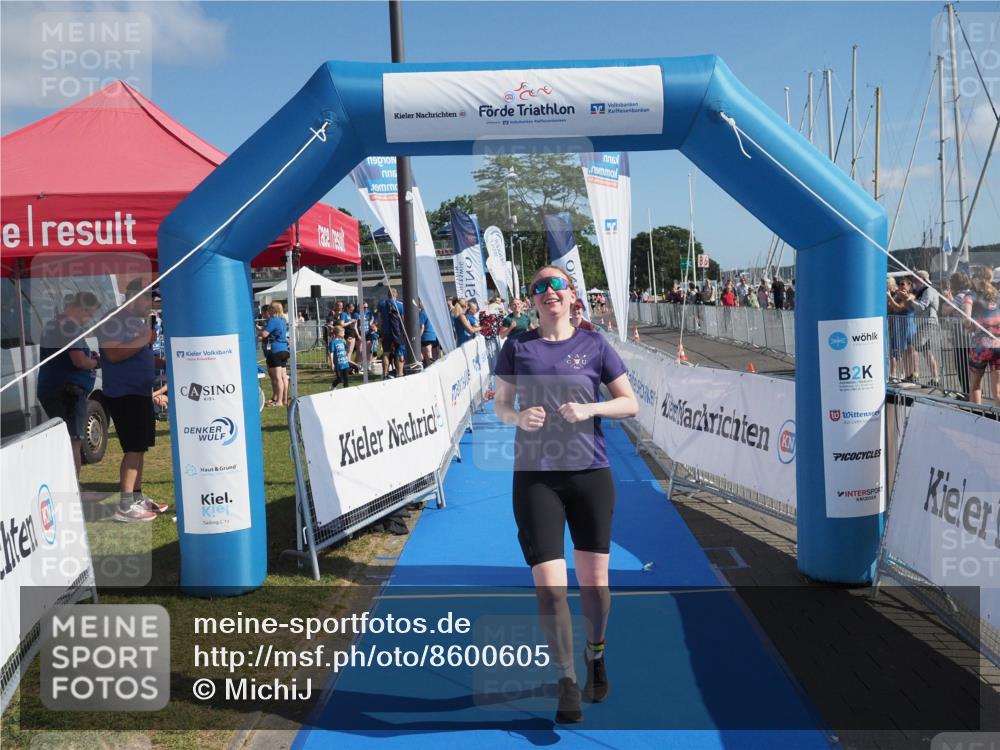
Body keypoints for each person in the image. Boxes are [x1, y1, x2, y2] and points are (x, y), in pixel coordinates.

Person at [494, 265, 638, 724]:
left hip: (590, 475)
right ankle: (566, 679)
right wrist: (518, 418)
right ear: (532, 300)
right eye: (540, 286)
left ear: (573, 296)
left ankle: (596, 653)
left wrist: (591, 408)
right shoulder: (517, 345)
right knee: (551, 589)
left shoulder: (595, 344)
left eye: (557, 284)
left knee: (595, 585)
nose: (549, 290)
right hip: (535, 478)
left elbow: (629, 402)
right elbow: (500, 404)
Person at [98, 279, 168, 521]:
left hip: (140, 392)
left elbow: (141, 355)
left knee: (140, 448)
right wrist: (144, 339)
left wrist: (166, 363)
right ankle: (126, 505)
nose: (151, 304)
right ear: (135, 297)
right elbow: (112, 353)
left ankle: (136, 497)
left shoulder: (136, 323)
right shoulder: (113, 320)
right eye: (149, 299)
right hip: (124, 393)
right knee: (133, 448)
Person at [37, 291, 103, 475]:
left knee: (64, 440)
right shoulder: (69, 326)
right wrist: (96, 363)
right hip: (68, 393)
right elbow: (79, 361)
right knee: (73, 442)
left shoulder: (53, 324)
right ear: (81, 308)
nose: (89, 319)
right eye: (89, 314)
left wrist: (89, 357)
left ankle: (66, 482)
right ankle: (73, 486)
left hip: (55, 389)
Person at [962, 266, 1000, 404]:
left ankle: (976, 414)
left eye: (973, 276)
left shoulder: (970, 295)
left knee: (975, 386)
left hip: (980, 346)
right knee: (998, 390)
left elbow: (966, 319)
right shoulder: (997, 295)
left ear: (978, 278)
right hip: (998, 343)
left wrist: (969, 325)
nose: (971, 279)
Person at [910, 270, 941, 387]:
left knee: (913, 346)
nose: (914, 282)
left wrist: (910, 300)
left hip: (928, 323)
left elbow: (922, 306)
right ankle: (935, 379)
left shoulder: (928, 290)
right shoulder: (923, 290)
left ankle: (915, 375)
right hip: (924, 323)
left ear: (922, 280)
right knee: (926, 351)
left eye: (916, 279)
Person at [944, 272, 973, 396]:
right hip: (970, 334)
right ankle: (972, 391)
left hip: (961, 334)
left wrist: (947, 300)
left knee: (961, 364)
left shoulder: (960, 296)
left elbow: (945, 310)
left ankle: (966, 392)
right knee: (971, 364)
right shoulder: (971, 294)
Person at [259, 302, 290, 406]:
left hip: (275, 350)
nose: (268, 310)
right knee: (283, 377)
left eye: (270, 308)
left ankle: (279, 401)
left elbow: (264, 334)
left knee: (277, 378)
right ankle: (284, 400)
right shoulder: (282, 320)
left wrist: (260, 331)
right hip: (284, 350)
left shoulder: (273, 320)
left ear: (273, 310)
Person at [378, 287, 406, 379]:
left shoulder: (382, 304)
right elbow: (403, 321)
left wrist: (381, 332)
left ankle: (385, 374)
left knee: (386, 353)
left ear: (388, 295)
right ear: (396, 295)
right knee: (399, 353)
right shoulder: (401, 305)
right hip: (397, 333)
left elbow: (380, 320)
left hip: (386, 332)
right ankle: (400, 374)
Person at [328, 324, 352, 389]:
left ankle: (346, 390)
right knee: (340, 379)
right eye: (343, 332)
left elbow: (347, 350)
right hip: (338, 364)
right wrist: (332, 363)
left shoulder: (342, 341)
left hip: (345, 363)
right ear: (338, 333)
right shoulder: (333, 342)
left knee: (346, 379)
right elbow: (331, 353)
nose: (344, 333)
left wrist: (349, 343)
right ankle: (333, 386)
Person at [418, 301, 439, 366]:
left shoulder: (423, 313)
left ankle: (431, 369)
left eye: (420, 302)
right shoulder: (432, 313)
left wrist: (418, 338)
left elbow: (421, 327)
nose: (419, 304)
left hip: (426, 337)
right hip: (434, 337)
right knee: (433, 356)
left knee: (428, 357)